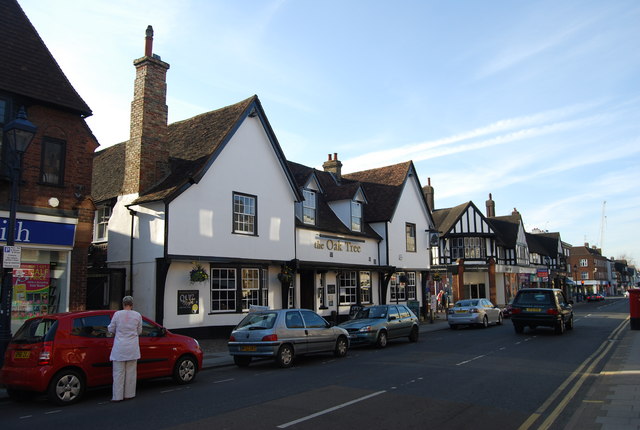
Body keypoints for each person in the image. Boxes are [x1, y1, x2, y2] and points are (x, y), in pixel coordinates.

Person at [108, 296, 142, 402]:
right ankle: (129, 394)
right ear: (132, 305)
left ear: (123, 304)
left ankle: (117, 396)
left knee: (118, 373)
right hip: (132, 347)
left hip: (120, 347)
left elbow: (111, 328)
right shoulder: (137, 315)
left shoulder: (117, 314)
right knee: (131, 372)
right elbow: (139, 331)